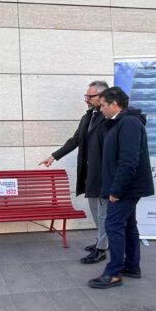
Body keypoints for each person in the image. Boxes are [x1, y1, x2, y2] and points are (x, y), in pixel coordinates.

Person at [88, 87, 153, 289]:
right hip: (126, 186)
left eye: (103, 106)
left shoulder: (128, 123)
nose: (101, 110)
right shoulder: (120, 122)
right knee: (129, 225)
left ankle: (114, 272)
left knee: (113, 225)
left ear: (114, 104)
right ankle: (132, 266)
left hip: (125, 188)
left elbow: (128, 161)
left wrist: (116, 191)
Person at [39, 80, 109, 264]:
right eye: (86, 96)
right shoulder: (88, 116)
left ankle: (102, 249)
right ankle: (102, 241)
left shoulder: (109, 118)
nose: (86, 99)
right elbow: (75, 139)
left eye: (90, 96)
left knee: (104, 213)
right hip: (89, 174)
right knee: (96, 210)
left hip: (104, 174)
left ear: (102, 96)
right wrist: (54, 156)